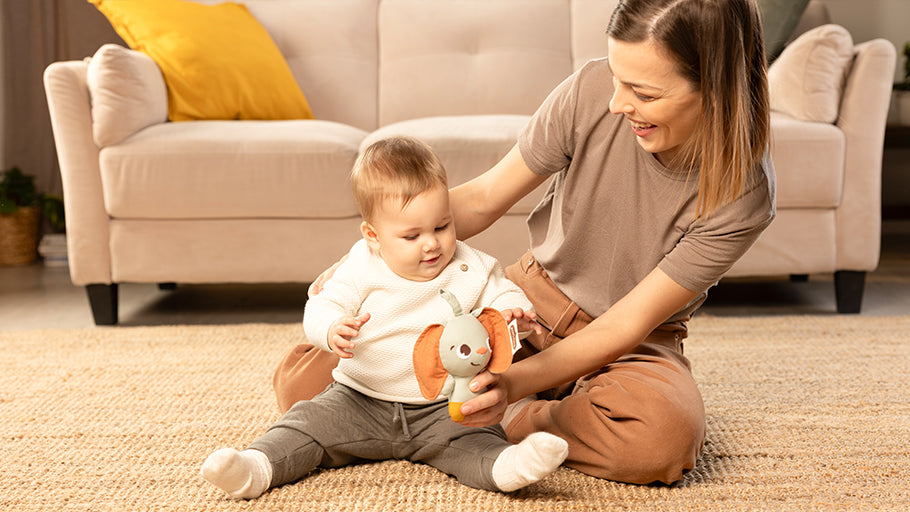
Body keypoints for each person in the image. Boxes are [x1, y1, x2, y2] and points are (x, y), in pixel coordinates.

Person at [275, 0, 775, 486]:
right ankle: (470, 417)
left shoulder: (743, 194)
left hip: (632, 343)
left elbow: (626, 324)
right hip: (528, 304)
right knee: (302, 386)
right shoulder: (588, 91)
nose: (617, 103)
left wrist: (511, 387)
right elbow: (486, 196)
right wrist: (372, 256)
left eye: (643, 93)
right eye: (617, 78)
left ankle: (502, 420)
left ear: (715, 89)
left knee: (660, 440)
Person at [201, 136, 568, 499]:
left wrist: (513, 314)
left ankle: (508, 466)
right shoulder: (361, 266)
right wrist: (331, 328)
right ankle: (254, 467)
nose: (432, 244)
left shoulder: (470, 265)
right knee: (304, 422)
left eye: (442, 227)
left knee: (479, 434)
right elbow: (321, 306)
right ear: (373, 236)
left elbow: (501, 292)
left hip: (442, 408)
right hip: (358, 399)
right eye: (411, 236)